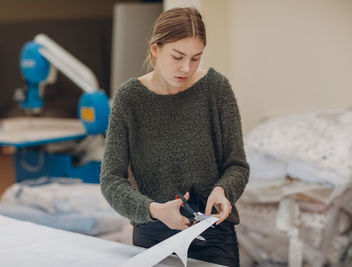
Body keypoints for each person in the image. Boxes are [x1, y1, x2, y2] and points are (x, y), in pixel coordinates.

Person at [100, 7, 249, 267]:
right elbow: (111, 180)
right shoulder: (130, 99)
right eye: (178, 56)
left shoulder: (216, 89)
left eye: (195, 58)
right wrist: (154, 210)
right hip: (153, 234)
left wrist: (222, 190)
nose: (186, 68)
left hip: (214, 235)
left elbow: (237, 164)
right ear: (156, 49)